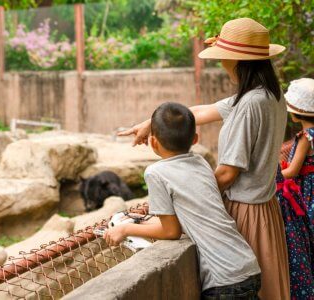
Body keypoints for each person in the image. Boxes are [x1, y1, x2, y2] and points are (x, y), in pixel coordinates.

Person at [117, 18, 290, 299]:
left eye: (223, 57)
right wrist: (152, 122)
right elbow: (202, 111)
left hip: (246, 212)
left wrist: (188, 200)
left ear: (237, 61)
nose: (220, 63)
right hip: (266, 209)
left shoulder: (248, 105)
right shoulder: (269, 94)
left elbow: (226, 174)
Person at [104, 102, 261, 298]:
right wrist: (140, 220)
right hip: (247, 264)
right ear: (195, 139)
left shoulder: (156, 173)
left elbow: (171, 231)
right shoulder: (201, 162)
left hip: (224, 280)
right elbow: (188, 213)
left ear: (153, 143)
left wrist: (125, 228)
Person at [276, 78, 314, 298]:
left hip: (306, 195)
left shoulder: (305, 138)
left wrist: (272, 174)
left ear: (295, 113)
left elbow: (292, 171)